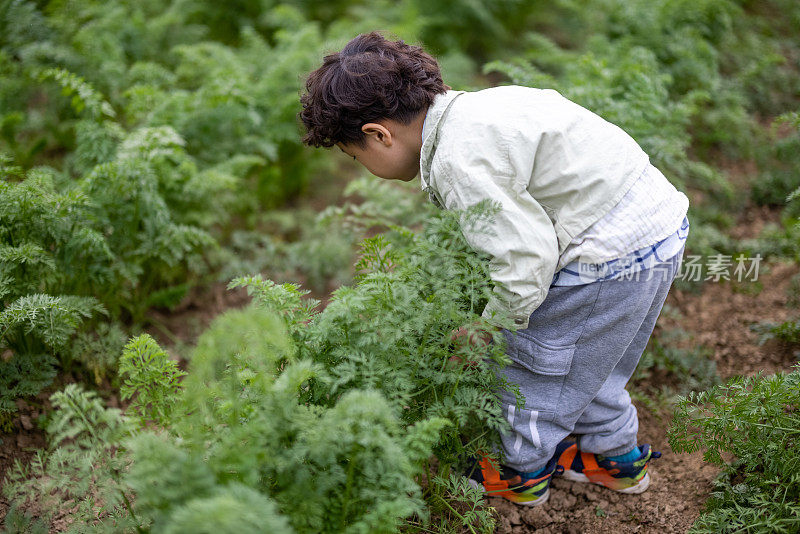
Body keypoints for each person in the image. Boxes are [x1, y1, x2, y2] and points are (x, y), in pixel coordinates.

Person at [299, 31, 689, 507]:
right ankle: (613, 459)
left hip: (605, 254)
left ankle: (519, 474)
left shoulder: (460, 161)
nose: (362, 166)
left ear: (378, 135)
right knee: (594, 361)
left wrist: (488, 327)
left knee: (536, 369)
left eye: (355, 156)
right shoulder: (481, 109)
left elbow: (526, 260)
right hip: (657, 226)